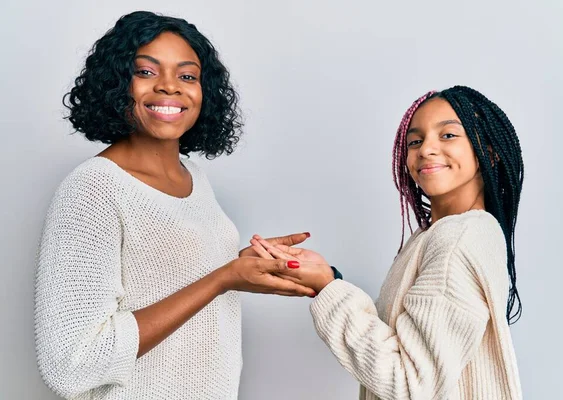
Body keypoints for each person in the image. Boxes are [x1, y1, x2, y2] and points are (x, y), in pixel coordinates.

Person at [34, 11, 314, 400]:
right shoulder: (92, 189)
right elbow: (72, 364)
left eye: (187, 76)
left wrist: (242, 265)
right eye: (146, 72)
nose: (169, 87)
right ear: (117, 84)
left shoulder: (193, 176)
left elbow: (163, 275)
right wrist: (224, 278)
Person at [251, 86, 524, 399]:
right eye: (415, 141)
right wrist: (331, 278)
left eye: (448, 135)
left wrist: (328, 289)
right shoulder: (435, 236)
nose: (426, 149)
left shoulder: (458, 239)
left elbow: (410, 384)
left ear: (488, 151)